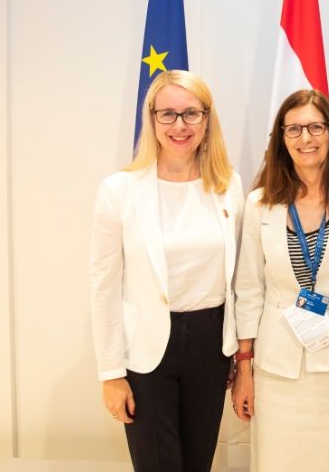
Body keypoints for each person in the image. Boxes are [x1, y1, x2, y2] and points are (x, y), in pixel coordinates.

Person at [89, 70, 243, 472]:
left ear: (207, 120)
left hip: (211, 346)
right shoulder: (119, 190)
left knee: (197, 463)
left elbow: (241, 279)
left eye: (191, 113)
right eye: (168, 114)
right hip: (146, 351)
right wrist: (110, 374)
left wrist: (242, 359)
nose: (180, 125)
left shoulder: (229, 186)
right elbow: (103, 288)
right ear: (152, 119)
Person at [232, 90, 329, 472]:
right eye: (295, 129)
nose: (306, 138)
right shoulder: (259, 204)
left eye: (316, 127)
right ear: (281, 139)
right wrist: (245, 370)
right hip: (275, 370)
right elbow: (249, 292)